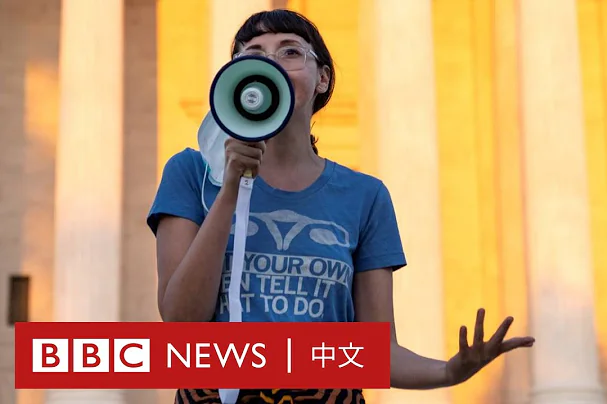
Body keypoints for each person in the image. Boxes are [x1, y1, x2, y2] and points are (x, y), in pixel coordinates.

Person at [147, 9, 534, 404]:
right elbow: (181, 321)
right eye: (254, 53)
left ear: (323, 79)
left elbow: (378, 353)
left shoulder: (365, 196)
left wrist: (449, 371)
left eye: (290, 52)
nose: (271, 63)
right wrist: (231, 187)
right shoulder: (193, 173)